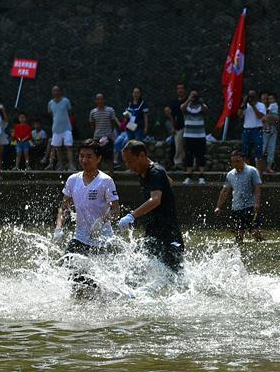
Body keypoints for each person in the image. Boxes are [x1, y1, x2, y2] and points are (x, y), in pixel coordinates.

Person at [53, 140, 120, 295]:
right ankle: (78, 306)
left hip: (102, 239)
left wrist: (101, 220)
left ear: (98, 159)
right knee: (72, 271)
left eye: (89, 156)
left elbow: (115, 209)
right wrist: (58, 227)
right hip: (80, 237)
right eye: (81, 156)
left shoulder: (106, 181)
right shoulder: (73, 180)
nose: (84, 160)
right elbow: (64, 208)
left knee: (98, 280)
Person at [119, 140, 184, 272]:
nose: (129, 166)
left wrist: (132, 215)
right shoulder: (145, 172)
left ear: (142, 156)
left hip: (168, 234)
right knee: (144, 269)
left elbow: (155, 200)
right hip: (153, 231)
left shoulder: (155, 172)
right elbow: (170, 181)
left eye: (130, 161)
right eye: (126, 162)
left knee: (173, 275)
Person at [214, 150, 264, 242]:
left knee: (255, 233)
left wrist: (257, 203)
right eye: (233, 162)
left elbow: (257, 187)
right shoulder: (230, 174)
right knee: (239, 236)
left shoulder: (252, 171)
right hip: (236, 208)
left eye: (237, 161)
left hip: (250, 206)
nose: (235, 164)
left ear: (243, 160)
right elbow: (225, 191)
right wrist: (218, 207)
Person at [181, 89, 208, 184]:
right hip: (188, 135)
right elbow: (182, 108)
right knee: (189, 156)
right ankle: (188, 176)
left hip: (200, 136)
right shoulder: (186, 106)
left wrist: (200, 101)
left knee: (200, 156)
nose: (194, 98)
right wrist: (189, 99)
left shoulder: (201, 106)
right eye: (192, 95)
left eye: (195, 96)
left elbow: (205, 109)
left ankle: (201, 177)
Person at [47, 85, 75, 170]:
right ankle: (61, 165)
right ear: (52, 92)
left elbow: (70, 112)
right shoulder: (50, 103)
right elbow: (51, 114)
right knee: (57, 148)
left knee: (69, 146)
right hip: (56, 129)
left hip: (67, 128)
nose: (55, 92)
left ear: (60, 92)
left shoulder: (66, 101)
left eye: (57, 90)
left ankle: (71, 165)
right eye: (54, 91)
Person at [238, 89, 266, 164]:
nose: (251, 98)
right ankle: (246, 171)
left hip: (257, 130)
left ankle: (259, 174)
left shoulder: (261, 105)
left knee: (258, 153)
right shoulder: (246, 105)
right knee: (245, 152)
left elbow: (259, 116)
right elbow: (240, 115)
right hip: (246, 130)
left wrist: (253, 106)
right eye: (250, 96)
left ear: (257, 96)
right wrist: (243, 103)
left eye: (253, 96)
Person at [89, 93, 119, 158]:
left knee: (109, 158)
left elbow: (113, 123)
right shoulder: (92, 112)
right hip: (97, 138)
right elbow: (92, 125)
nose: (100, 101)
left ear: (104, 100)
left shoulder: (110, 110)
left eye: (101, 99)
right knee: (97, 158)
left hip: (108, 138)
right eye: (98, 99)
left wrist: (109, 133)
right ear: (95, 101)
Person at [261, 92, 280, 174]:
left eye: (268, 99)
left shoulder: (272, 106)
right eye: (266, 99)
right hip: (265, 129)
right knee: (263, 148)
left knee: (271, 149)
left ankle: (269, 167)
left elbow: (276, 119)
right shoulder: (261, 108)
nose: (268, 100)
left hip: (273, 129)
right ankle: (261, 167)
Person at [170, 82, 187, 169]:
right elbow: (172, 116)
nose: (180, 90)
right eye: (178, 88)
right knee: (178, 146)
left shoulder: (188, 101)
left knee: (189, 146)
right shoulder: (174, 103)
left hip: (189, 127)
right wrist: (172, 127)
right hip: (178, 127)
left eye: (182, 88)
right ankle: (178, 163)